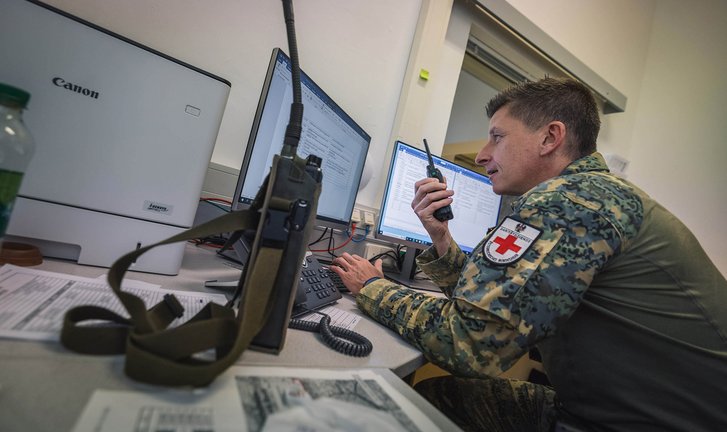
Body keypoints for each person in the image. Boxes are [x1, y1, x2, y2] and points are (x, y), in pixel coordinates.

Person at [330, 77, 727, 431]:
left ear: (550, 137)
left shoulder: (569, 202)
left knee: (422, 400)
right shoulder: (592, 194)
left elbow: (468, 344)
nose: (483, 154)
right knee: (439, 395)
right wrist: (442, 239)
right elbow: (496, 302)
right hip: (644, 411)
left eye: (497, 137)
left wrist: (372, 287)